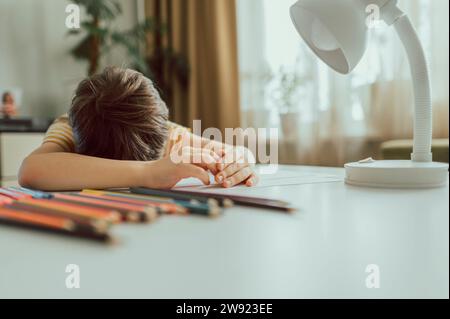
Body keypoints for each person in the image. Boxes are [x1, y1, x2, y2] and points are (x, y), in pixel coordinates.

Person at [19, 67, 258, 191]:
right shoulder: (70, 127)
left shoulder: (165, 132)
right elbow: (31, 170)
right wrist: (149, 173)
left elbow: (233, 152)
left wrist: (240, 160)